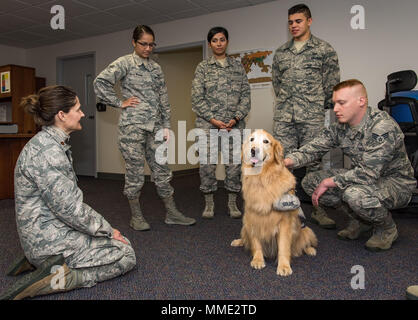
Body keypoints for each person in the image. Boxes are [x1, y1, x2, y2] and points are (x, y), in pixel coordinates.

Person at [0, 85, 136, 300]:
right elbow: (71, 209)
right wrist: (109, 231)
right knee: (125, 254)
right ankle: (60, 276)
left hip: (47, 228)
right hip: (47, 239)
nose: (82, 113)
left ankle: (45, 261)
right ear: (62, 115)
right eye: (78, 109)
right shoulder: (49, 153)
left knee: (112, 241)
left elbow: (63, 206)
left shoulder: (48, 143)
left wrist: (100, 230)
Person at [284, 79, 417, 251]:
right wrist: (287, 161)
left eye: (341, 103)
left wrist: (329, 181)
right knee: (310, 181)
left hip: (396, 183)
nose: (336, 109)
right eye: (334, 104)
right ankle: (360, 221)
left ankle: (387, 229)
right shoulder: (340, 127)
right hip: (362, 176)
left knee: (353, 194)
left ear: (361, 101)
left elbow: (368, 173)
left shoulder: (382, 127)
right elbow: (313, 148)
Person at [94, 25, 195, 231]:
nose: (148, 48)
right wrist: (119, 101)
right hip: (133, 127)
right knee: (135, 173)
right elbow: (100, 82)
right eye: (144, 44)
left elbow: (163, 98)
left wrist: (166, 125)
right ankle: (136, 216)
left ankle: (172, 213)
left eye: (151, 44)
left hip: (156, 127)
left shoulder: (156, 68)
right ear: (134, 42)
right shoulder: (125, 63)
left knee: (162, 170)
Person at [271, 3, 340, 229]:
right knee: (284, 165)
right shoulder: (281, 52)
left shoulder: (324, 49)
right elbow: (277, 83)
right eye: (290, 22)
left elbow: (332, 85)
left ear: (309, 21)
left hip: (311, 117)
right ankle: (290, 211)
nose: (293, 25)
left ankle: (318, 210)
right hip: (285, 118)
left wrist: (315, 106)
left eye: (298, 21)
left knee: (314, 165)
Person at [191, 26, 251, 219]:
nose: (219, 43)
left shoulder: (237, 67)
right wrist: (213, 119)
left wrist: (235, 118)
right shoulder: (203, 68)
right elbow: (197, 98)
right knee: (206, 165)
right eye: (215, 40)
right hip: (208, 126)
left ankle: (232, 202)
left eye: (222, 39)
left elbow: (246, 96)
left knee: (233, 165)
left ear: (227, 41)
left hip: (234, 126)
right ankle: (209, 202)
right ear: (210, 44)